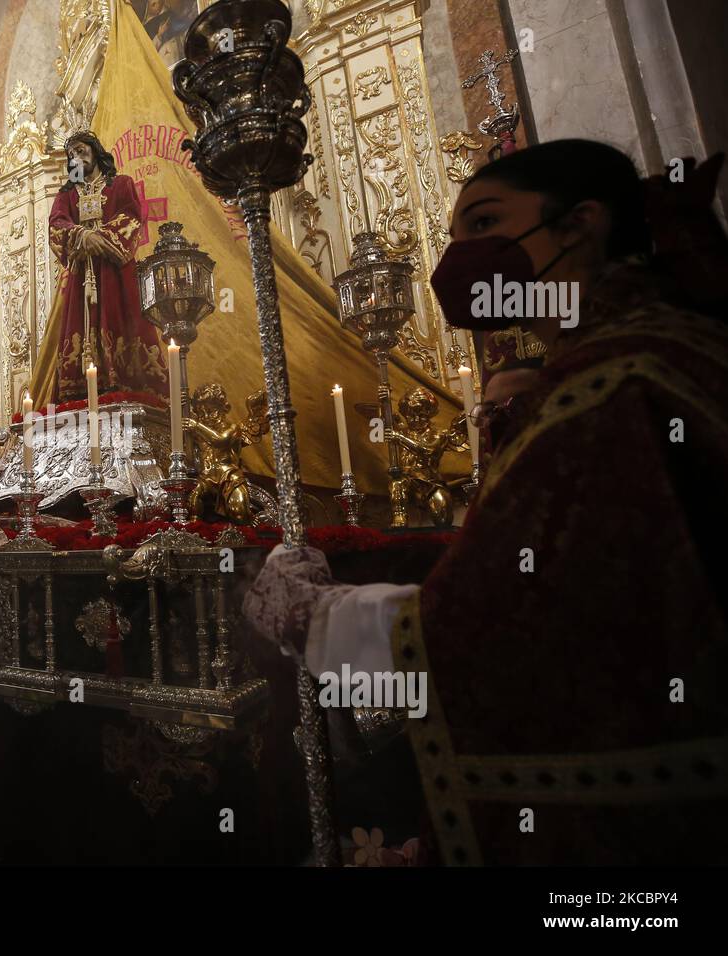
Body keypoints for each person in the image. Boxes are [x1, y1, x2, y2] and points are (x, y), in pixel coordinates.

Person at [244, 140, 728, 865]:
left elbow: (506, 635)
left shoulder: (610, 389)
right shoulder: (654, 352)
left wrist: (310, 618)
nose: (461, 257)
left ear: (578, 225)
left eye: (485, 224)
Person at [39, 130, 168, 403]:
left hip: (115, 274)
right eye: (71, 153)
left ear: (95, 151)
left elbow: (132, 216)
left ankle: (125, 385)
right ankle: (82, 391)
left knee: (123, 320)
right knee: (77, 329)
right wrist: (81, 235)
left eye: (81, 149)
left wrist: (100, 238)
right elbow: (56, 224)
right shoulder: (67, 195)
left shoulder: (120, 184)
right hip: (80, 276)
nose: (76, 155)